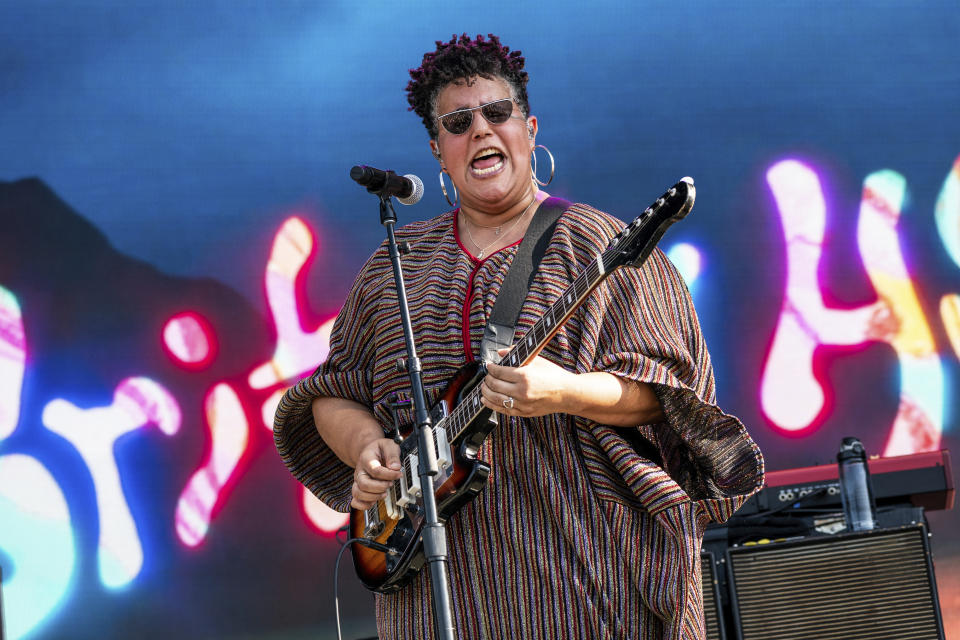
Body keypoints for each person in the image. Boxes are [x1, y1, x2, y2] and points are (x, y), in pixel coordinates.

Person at [275, 33, 764, 639]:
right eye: (458, 121)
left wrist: (566, 392)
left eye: (496, 112)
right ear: (438, 150)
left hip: (583, 581)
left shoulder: (599, 246)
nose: (480, 129)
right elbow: (331, 392)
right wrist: (366, 445)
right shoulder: (395, 266)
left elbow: (670, 395)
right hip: (433, 598)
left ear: (528, 129)